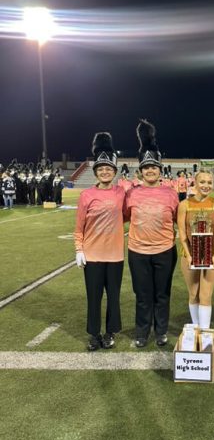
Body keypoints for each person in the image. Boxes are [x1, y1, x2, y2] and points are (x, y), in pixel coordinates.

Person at [124, 119, 179, 348]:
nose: (150, 171)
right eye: (146, 168)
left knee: (162, 294)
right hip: (138, 252)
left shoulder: (171, 193)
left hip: (165, 251)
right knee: (143, 295)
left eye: (154, 167)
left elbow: (179, 218)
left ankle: (161, 331)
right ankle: (142, 332)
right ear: (141, 171)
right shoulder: (131, 194)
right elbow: (125, 216)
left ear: (160, 170)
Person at [74, 132, 125, 351]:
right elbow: (79, 227)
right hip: (93, 256)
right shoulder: (86, 195)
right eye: (101, 169)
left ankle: (110, 333)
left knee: (113, 297)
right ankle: (94, 334)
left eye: (108, 169)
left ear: (114, 172)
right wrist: (79, 249)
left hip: (115, 256)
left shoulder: (122, 192)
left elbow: (131, 213)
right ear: (96, 172)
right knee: (94, 297)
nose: (105, 172)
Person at [177, 169, 214, 330]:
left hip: (210, 256)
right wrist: (189, 255)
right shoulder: (184, 205)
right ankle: (196, 329)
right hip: (189, 255)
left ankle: (204, 331)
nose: (206, 185)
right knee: (194, 293)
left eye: (209, 182)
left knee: (206, 295)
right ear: (195, 183)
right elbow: (182, 232)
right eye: (202, 182)